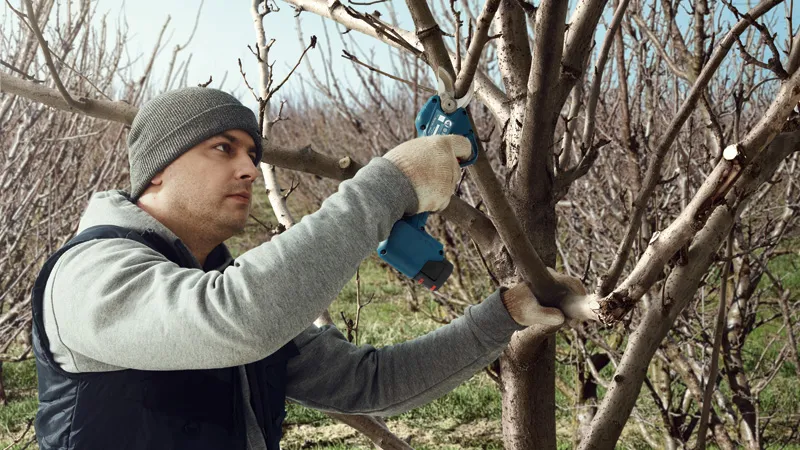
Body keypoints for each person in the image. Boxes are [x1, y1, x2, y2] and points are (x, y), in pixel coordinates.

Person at [30, 87, 572, 450]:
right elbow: (234, 319)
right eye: (223, 148)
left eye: (252, 151)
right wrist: (386, 187)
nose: (249, 167)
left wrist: (501, 316)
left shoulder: (215, 283)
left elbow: (370, 383)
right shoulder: (91, 274)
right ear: (156, 172)